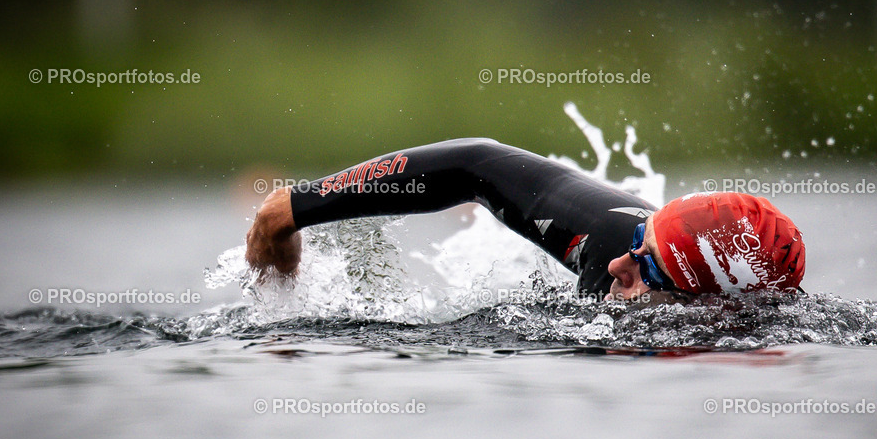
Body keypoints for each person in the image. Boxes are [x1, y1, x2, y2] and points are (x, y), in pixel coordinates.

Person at [245, 138, 805, 302]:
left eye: (648, 270)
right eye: (639, 240)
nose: (616, 264)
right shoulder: (607, 240)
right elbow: (475, 164)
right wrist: (294, 208)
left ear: (709, 308)